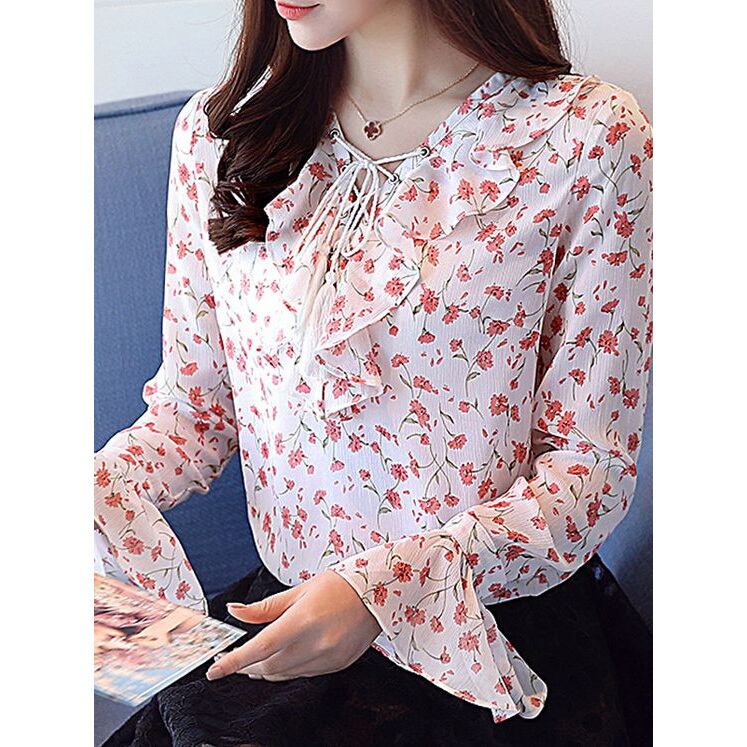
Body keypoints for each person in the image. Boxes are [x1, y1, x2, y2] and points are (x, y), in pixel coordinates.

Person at [95, 0, 653, 743]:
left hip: (482, 639)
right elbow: (194, 411)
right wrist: (104, 484)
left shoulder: (586, 138)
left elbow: (591, 467)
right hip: (285, 627)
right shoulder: (222, 134)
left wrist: (383, 590)